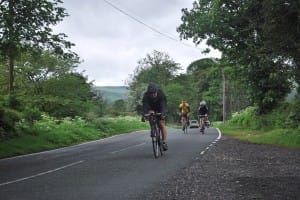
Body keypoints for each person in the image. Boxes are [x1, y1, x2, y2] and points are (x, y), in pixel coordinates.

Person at [142, 83, 168, 151]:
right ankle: (153, 128)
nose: (153, 94)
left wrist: (163, 113)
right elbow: (145, 106)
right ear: (148, 93)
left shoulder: (161, 94)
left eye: (154, 93)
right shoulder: (146, 96)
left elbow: (163, 105)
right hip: (151, 108)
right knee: (150, 114)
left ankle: (164, 142)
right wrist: (144, 115)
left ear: (157, 91)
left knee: (162, 124)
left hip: (160, 107)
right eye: (151, 93)